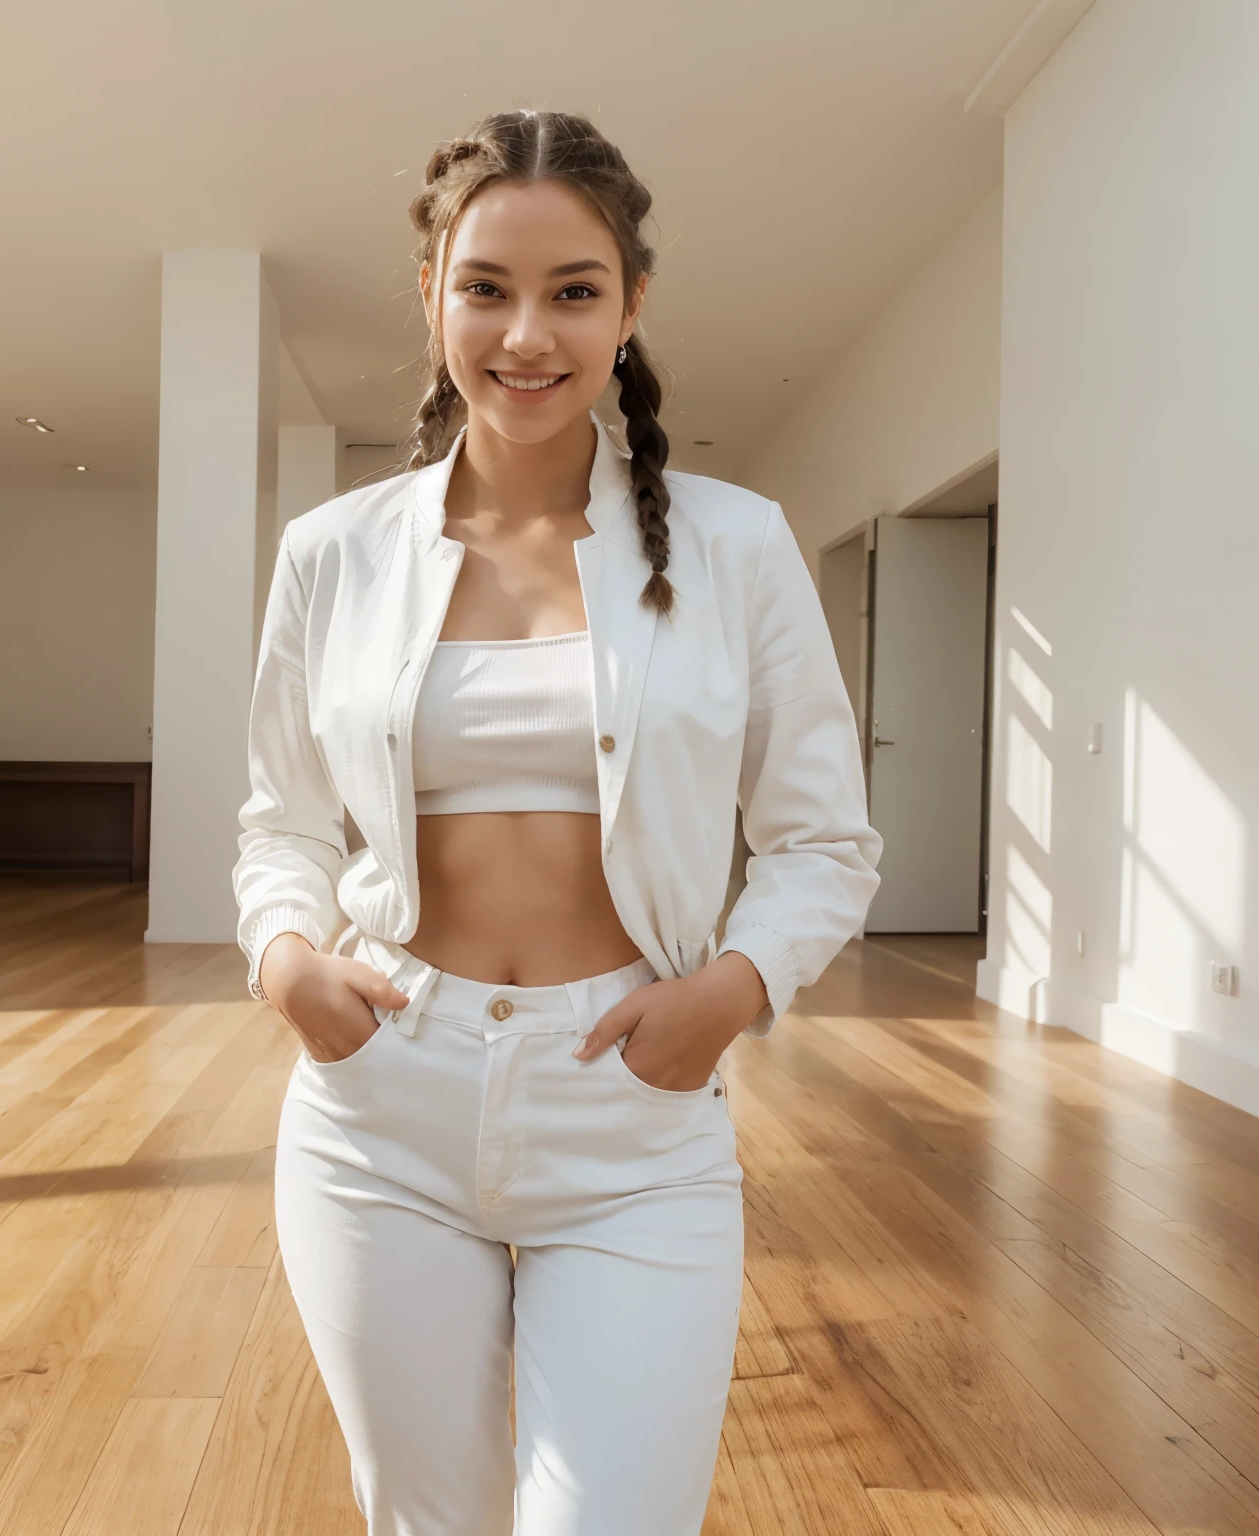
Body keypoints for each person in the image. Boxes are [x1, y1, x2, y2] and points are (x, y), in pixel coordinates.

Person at [234, 109, 880, 1536]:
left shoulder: (736, 544)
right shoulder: (330, 555)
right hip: (380, 1111)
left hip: (634, 1115)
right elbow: (280, 821)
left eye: (574, 291)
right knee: (431, 1520)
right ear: (432, 296)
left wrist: (733, 990)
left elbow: (826, 840)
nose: (527, 333)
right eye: (487, 288)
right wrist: (287, 965)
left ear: (630, 306)